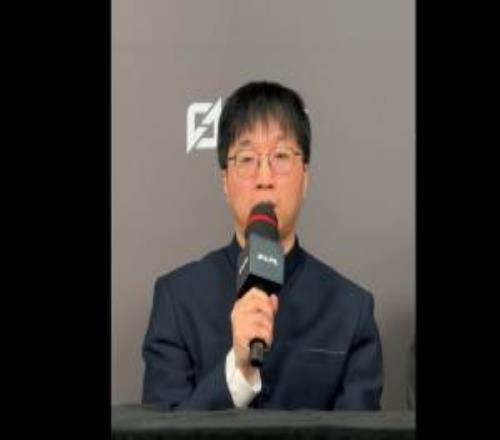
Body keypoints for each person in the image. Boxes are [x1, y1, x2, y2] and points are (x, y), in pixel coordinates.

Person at [141, 81, 383, 410]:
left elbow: (359, 430)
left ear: (305, 176)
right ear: (225, 181)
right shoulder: (178, 300)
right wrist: (237, 372)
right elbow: (160, 429)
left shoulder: (350, 310)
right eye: (247, 159)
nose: (265, 178)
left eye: (281, 156)